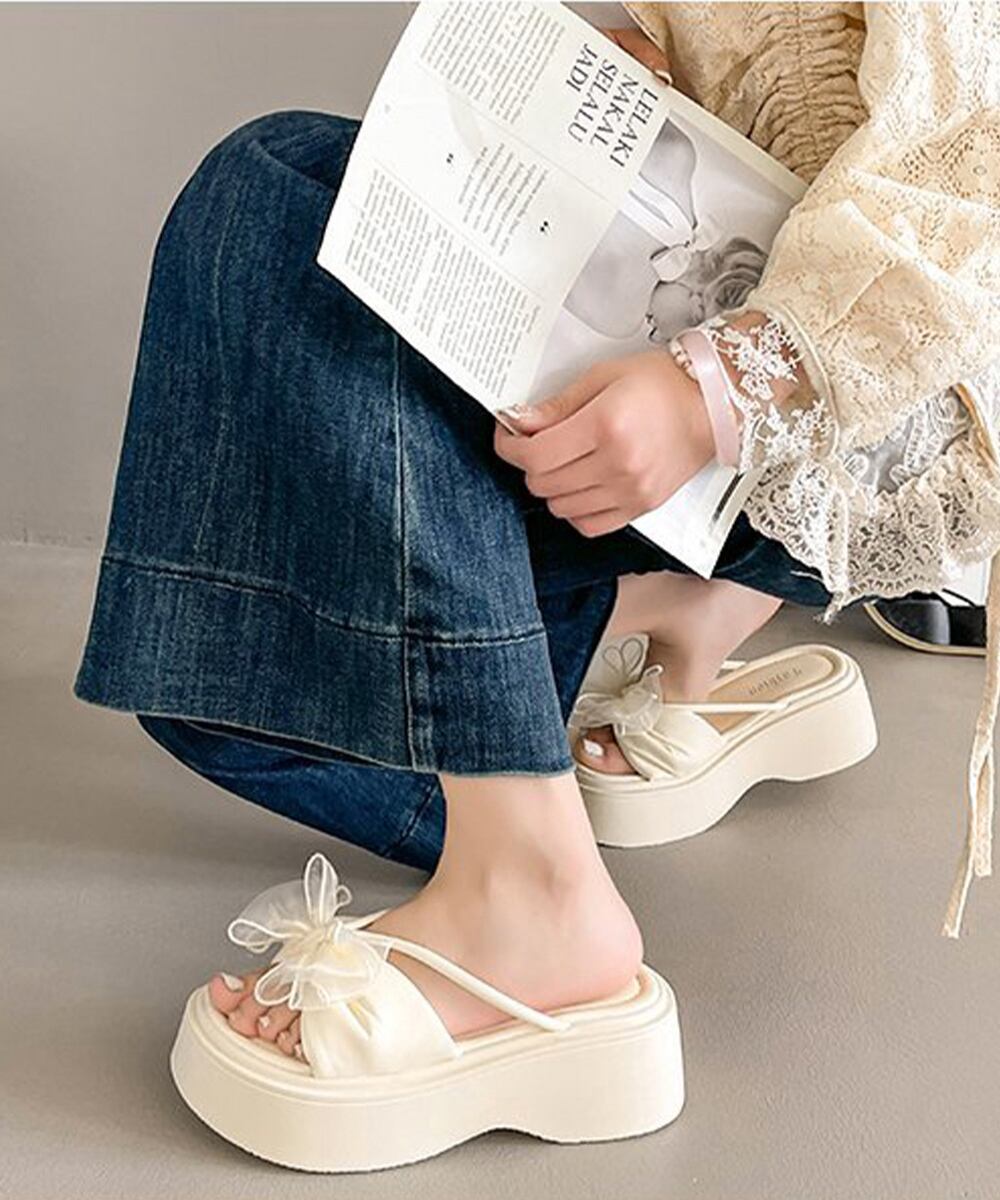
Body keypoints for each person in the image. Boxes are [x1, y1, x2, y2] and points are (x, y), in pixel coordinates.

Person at [73, 0, 1000, 1166]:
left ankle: (530, 891)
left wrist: (709, 389)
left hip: (850, 407)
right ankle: (659, 618)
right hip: (716, 357)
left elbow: (970, 166)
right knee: (217, 653)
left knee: (278, 234)